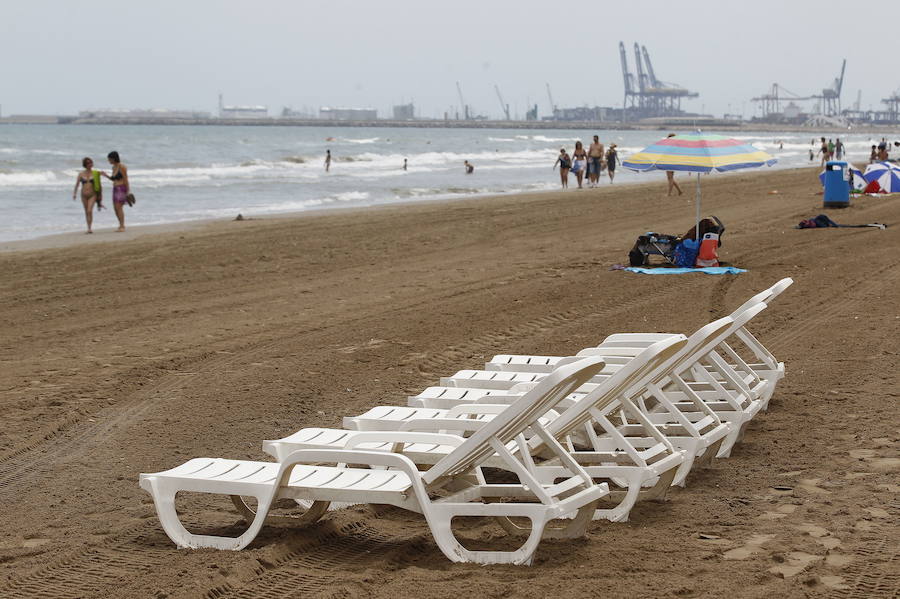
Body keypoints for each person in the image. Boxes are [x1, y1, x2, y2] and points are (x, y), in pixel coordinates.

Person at [102, 151, 129, 232]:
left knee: (119, 207)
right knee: (115, 208)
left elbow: (126, 179)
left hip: (121, 188)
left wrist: (128, 191)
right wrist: (105, 175)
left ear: (114, 158)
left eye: (109, 159)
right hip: (115, 188)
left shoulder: (122, 167)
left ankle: (122, 226)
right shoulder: (113, 167)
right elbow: (113, 179)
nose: (108, 161)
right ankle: (120, 225)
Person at [72, 157, 100, 234]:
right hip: (83, 195)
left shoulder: (95, 173)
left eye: (91, 163)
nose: (90, 164)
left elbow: (99, 186)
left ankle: (90, 227)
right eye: (88, 163)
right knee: (86, 212)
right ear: (85, 164)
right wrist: (74, 193)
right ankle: (88, 228)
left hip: (92, 195)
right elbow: (77, 185)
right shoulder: (81, 174)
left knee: (89, 210)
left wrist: (99, 197)